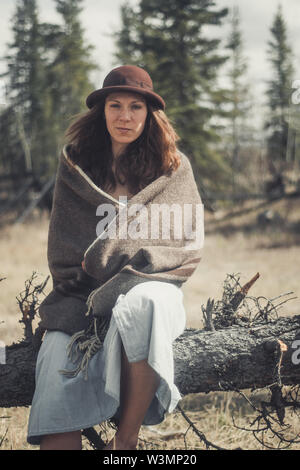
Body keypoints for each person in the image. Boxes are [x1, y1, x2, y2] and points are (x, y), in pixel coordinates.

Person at [26, 65, 203, 450]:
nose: (124, 116)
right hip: (80, 296)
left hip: (152, 283)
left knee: (145, 304)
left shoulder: (171, 169)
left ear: (149, 114)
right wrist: (97, 278)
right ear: (101, 111)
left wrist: (129, 270)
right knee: (57, 360)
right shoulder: (77, 166)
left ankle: (126, 440)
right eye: (115, 105)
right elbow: (64, 241)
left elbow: (183, 240)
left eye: (135, 107)